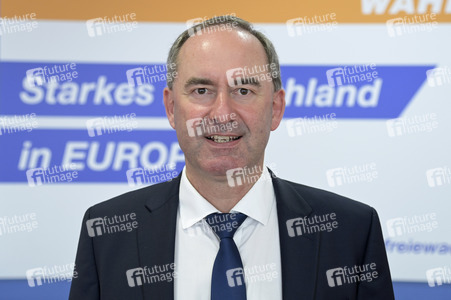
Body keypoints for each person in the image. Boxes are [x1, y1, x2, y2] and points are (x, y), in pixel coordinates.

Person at [69, 16, 395, 300]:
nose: (223, 114)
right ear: (171, 109)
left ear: (276, 109)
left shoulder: (351, 231)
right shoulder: (108, 232)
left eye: (243, 91)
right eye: (201, 91)